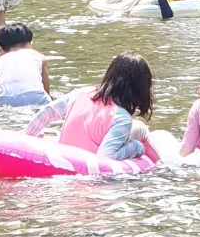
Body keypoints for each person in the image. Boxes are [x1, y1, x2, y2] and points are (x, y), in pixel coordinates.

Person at [23, 52, 158, 162]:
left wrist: (28, 135)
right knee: (140, 131)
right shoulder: (121, 118)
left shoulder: (81, 93)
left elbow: (49, 111)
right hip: (86, 172)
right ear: (140, 89)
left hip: (63, 156)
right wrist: (137, 147)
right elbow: (105, 158)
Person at [0, 22, 51, 106]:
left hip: (3, 101)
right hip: (35, 97)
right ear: (30, 45)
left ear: (1, 51)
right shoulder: (39, 57)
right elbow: (46, 91)